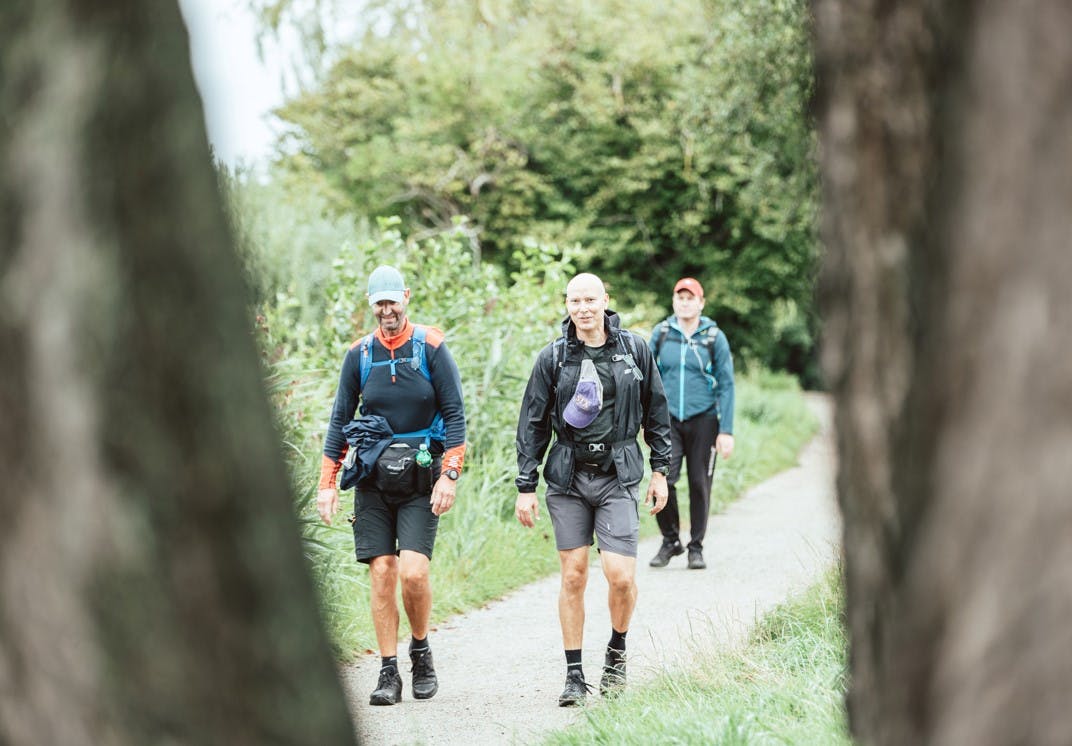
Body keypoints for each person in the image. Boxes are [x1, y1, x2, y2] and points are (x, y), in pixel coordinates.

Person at [515, 272, 672, 706]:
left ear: (605, 301)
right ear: (566, 305)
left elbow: (656, 411)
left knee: (621, 578)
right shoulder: (552, 358)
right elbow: (531, 424)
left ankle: (616, 652)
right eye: (574, 300)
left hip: (617, 474)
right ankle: (573, 675)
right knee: (574, 575)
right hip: (567, 477)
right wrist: (525, 485)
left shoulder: (634, 350)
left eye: (590, 299)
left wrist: (661, 470)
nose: (582, 308)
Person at [317, 265, 467, 707]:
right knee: (382, 570)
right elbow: (340, 421)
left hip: (423, 477)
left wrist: (450, 473)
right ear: (372, 306)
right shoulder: (359, 355)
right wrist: (327, 483)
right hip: (373, 479)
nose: (387, 310)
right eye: (379, 303)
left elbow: (455, 414)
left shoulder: (432, 348)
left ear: (406, 297)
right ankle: (388, 672)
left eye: (392, 301)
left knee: (413, 572)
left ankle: (420, 649)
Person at [647, 277, 735, 571]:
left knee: (700, 483)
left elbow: (727, 384)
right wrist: (645, 421)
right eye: (679, 297)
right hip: (667, 421)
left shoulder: (713, 337)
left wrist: (726, 430)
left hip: (704, 419)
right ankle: (670, 540)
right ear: (674, 301)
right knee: (664, 479)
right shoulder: (661, 334)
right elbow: (647, 380)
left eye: (690, 297)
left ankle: (696, 547)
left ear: (701, 302)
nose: (684, 302)